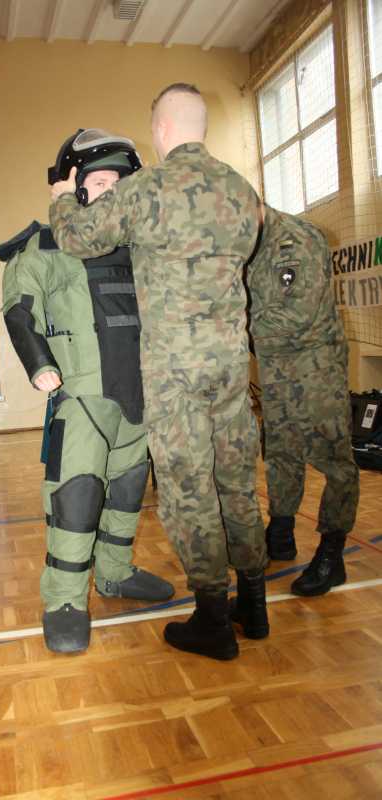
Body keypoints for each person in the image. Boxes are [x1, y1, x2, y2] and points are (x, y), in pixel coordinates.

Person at [49, 84, 269, 661]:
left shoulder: (147, 189)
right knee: (236, 483)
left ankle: (213, 620)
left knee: (189, 493)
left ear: (162, 129)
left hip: (176, 373)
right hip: (230, 365)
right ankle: (254, 603)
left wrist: (61, 197)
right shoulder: (241, 190)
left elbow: (77, 238)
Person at [0, 129, 174, 654]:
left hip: (138, 397)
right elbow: (19, 309)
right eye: (99, 182)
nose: (110, 192)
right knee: (76, 497)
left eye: (118, 183)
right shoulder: (46, 246)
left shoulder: (140, 248)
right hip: (83, 400)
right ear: (72, 187)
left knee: (126, 493)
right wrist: (39, 365)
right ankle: (65, 601)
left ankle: (115, 573)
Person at [245, 203, 360, 596]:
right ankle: (281, 532)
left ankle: (332, 552)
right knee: (281, 450)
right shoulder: (251, 245)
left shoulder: (296, 239)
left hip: (316, 368)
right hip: (276, 367)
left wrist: (233, 329)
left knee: (333, 458)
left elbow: (298, 313)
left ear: (251, 207)